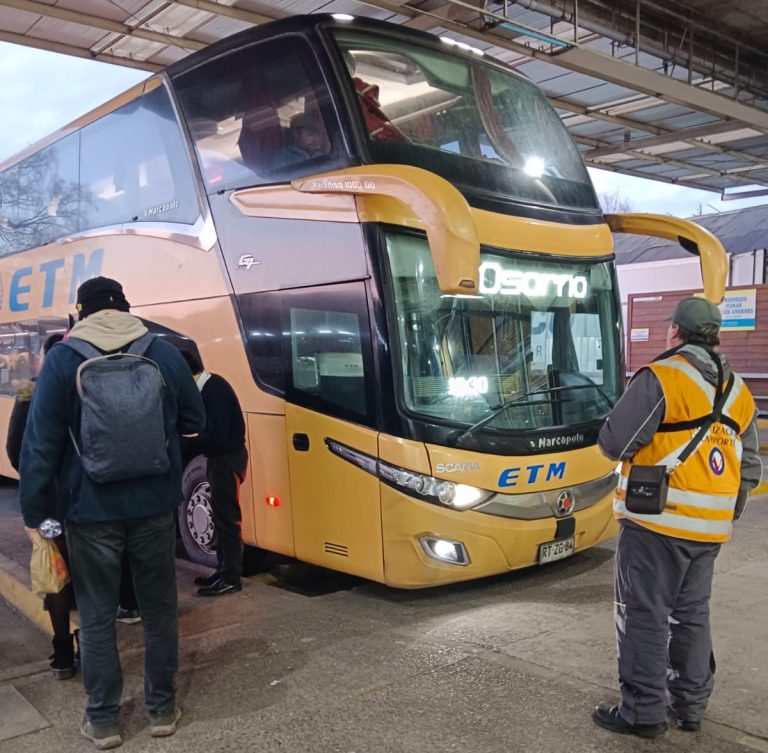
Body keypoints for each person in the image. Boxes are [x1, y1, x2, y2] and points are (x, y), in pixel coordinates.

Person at [19, 277, 205, 749]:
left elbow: (39, 445)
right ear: (125, 308)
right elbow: (194, 421)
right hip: (154, 506)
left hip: (89, 508)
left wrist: (35, 514)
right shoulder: (160, 353)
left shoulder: (63, 358)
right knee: (160, 610)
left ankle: (103, 721)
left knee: (98, 616)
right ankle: (161, 710)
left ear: (82, 313)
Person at [593, 296, 762, 738]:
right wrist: (725, 510)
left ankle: (643, 713)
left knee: (644, 613)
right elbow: (751, 465)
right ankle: (689, 706)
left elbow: (615, 442)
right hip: (710, 530)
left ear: (675, 332)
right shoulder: (739, 389)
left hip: (656, 521)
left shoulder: (663, 376)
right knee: (691, 616)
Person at [6, 332, 78, 680]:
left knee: (56, 575)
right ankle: (94, 649)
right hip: (84, 500)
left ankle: (63, 653)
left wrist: (37, 492)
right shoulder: (80, 387)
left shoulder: (29, 394)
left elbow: (15, 451)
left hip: (49, 505)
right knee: (90, 574)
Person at [179, 350, 248, 597]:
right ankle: (222, 570)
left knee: (228, 519)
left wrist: (189, 442)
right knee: (219, 516)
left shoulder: (214, 390)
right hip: (219, 460)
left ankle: (231, 577)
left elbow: (217, 437)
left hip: (227, 460)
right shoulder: (209, 388)